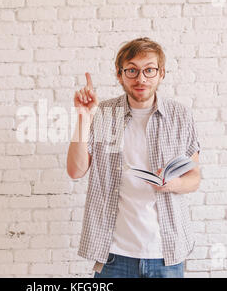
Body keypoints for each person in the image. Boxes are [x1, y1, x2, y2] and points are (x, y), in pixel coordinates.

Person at [66, 37, 201, 278]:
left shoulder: (180, 116)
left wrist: (174, 184)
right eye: (132, 70)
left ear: (161, 74)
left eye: (149, 70)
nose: (141, 78)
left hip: (165, 254)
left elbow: (194, 178)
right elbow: (76, 171)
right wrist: (83, 117)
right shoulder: (104, 113)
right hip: (114, 255)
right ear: (119, 75)